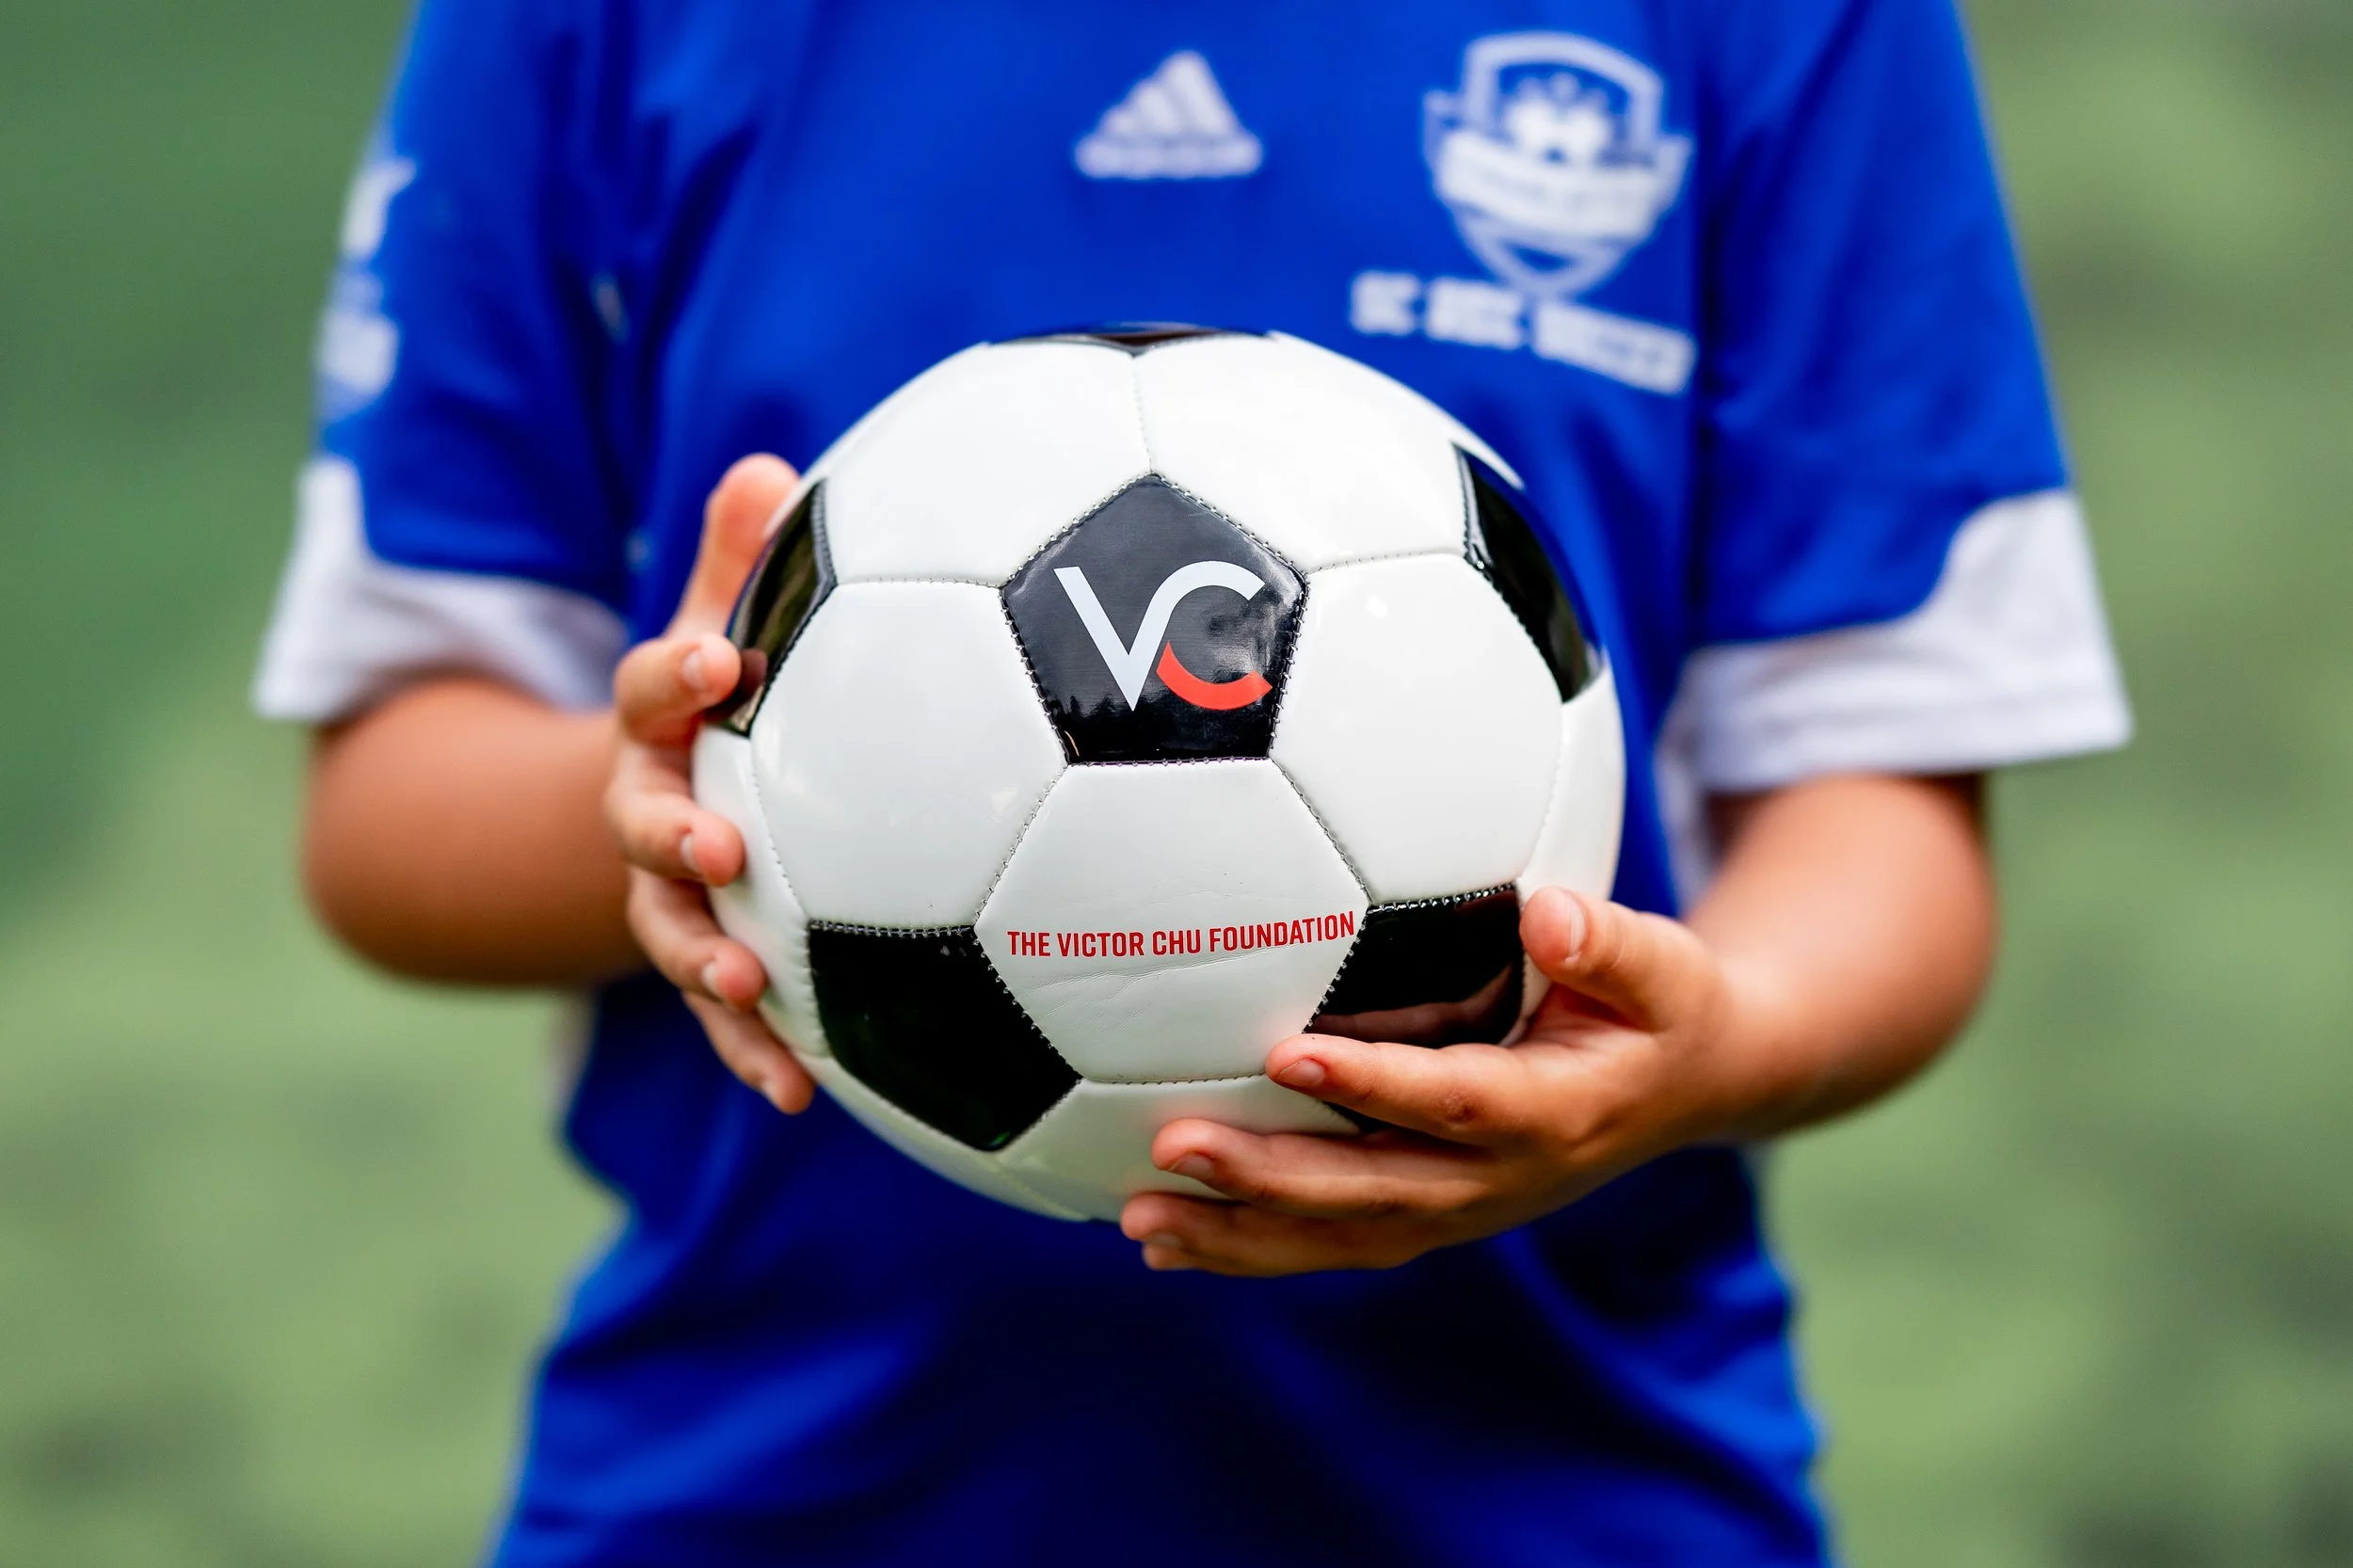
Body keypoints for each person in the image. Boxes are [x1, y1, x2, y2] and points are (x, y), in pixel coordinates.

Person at [255, 1, 2132, 1562]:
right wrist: (660, 808)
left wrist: (1714, 1042)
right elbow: (388, 808)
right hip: (769, 1478)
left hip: (1561, 1483)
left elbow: (1878, 797)